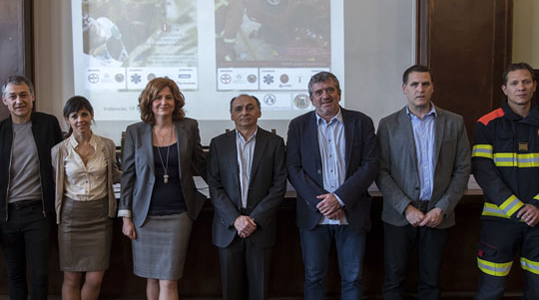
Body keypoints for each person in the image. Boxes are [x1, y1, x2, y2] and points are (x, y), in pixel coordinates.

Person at [376, 64, 471, 300]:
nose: (420, 89)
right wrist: (406, 208)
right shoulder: (388, 125)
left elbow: (462, 170)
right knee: (393, 279)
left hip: (438, 215)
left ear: (432, 88)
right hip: (399, 216)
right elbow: (381, 172)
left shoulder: (454, 122)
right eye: (414, 84)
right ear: (404, 89)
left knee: (431, 281)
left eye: (425, 84)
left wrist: (443, 208)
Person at [286, 71, 378, 300]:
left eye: (329, 90)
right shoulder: (298, 126)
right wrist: (324, 203)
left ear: (339, 93)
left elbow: (370, 164)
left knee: (353, 278)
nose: (324, 96)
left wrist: (339, 198)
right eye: (318, 92)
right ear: (311, 98)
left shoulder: (361, 122)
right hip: (314, 216)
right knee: (314, 277)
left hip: (352, 213)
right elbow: (293, 168)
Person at [119, 77, 207, 300]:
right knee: (152, 277)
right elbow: (128, 177)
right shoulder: (134, 132)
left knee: (169, 278)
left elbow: (202, 164)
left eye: (169, 97)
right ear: (149, 101)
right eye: (158, 97)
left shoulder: (189, 127)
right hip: (144, 216)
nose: (163, 102)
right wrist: (126, 217)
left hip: (179, 213)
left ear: (176, 101)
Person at [207, 94, 287, 300]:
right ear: (231, 115)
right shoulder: (218, 144)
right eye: (239, 109)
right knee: (230, 292)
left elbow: (279, 186)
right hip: (228, 229)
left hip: (260, 227)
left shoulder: (275, 143)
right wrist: (235, 219)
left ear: (259, 112)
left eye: (250, 108)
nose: (244, 113)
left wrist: (254, 219)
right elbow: (214, 186)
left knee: (259, 291)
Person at [472, 62, 539, 300]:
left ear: (534, 86)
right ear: (504, 89)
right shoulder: (486, 124)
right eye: (514, 83)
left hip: (538, 220)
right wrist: (517, 208)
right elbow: (483, 172)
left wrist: (536, 206)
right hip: (498, 222)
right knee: (491, 290)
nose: (520, 87)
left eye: (526, 82)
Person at [51, 96, 122, 300]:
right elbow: (55, 184)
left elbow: (115, 175)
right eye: (75, 115)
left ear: (92, 116)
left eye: (84, 114)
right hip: (71, 218)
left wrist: (137, 175)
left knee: (95, 278)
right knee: (71, 278)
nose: (80, 119)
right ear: (67, 119)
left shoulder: (107, 146)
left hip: (100, 217)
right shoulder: (58, 151)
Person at [0, 75, 63, 300]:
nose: (19, 101)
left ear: (33, 97)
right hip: (8, 216)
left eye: (24, 95)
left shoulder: (48, 124)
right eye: (13, 96)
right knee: (14, 277)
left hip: (39, 212)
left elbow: (61, 164)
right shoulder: (1, 131)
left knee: (40, 276)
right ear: (5, 100)